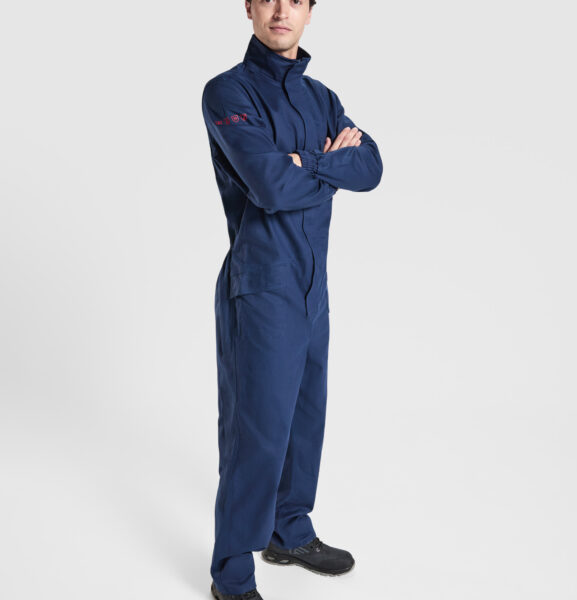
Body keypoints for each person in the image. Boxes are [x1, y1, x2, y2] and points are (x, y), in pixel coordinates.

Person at [201, 1, 383, 598]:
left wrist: (308, 162)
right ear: (249, 7)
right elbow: (271, 186)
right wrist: (330, 162)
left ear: (310, 12)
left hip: (312, 285)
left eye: (296, 0)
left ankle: (288, 531)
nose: (282, 10)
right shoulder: (228, 92)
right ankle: (232, 575)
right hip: (261, 284)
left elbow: (371, 166)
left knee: (305, 418)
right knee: (256, 432)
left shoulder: (321, 97)